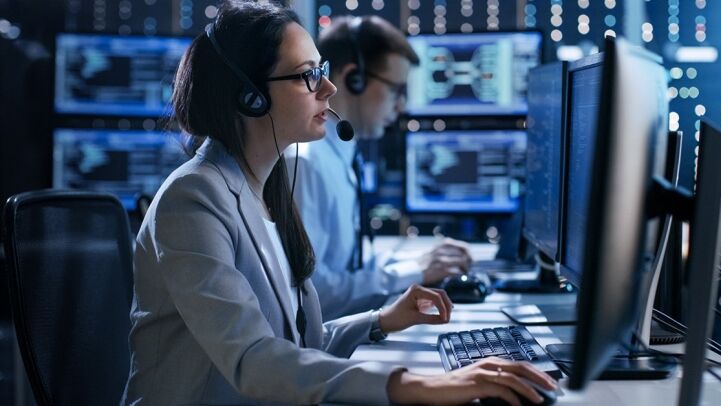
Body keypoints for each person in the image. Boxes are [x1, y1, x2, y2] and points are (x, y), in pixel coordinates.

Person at [122, 2, 557, 405]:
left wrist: (381, 320)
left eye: (323, 70)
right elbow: (253, 359)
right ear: (250, 95)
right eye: (307, 74)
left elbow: (294, 343)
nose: (328, 88)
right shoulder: (192, 199)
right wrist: (420, 384)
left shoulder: (266, 187)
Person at [287, 15, 472, 321]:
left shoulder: (341, 156)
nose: (401, 106)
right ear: (353, 79)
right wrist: (416, 270)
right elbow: (312, 294)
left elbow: (349, 265)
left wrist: (420, 262)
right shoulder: (305, 164)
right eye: (396, 90)